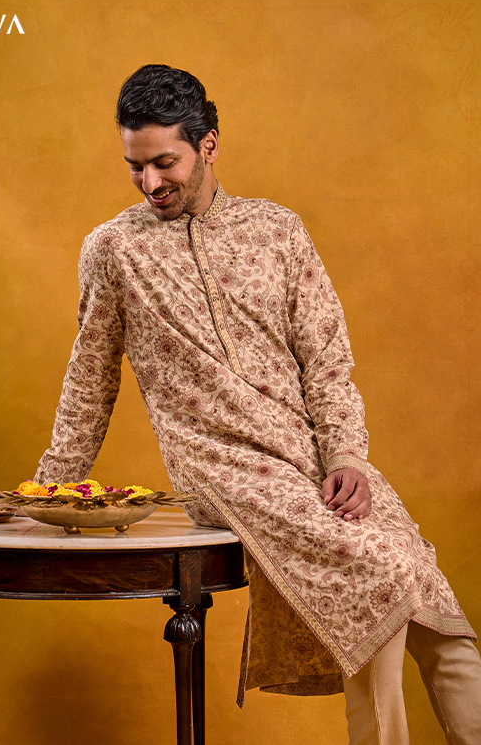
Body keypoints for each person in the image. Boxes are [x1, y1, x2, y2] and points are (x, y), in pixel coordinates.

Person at [35, 64, 481, 743]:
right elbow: (90, 377)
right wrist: (49, 491)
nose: (151, 183)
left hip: (312, 459)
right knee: (383, 578)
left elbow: (326, 359)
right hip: (226, 468)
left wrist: (348, 457)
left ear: (208, 145)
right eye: (135, 166)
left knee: (436, 606)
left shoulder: (277, 231)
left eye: (165, 162)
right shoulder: (114, 250)